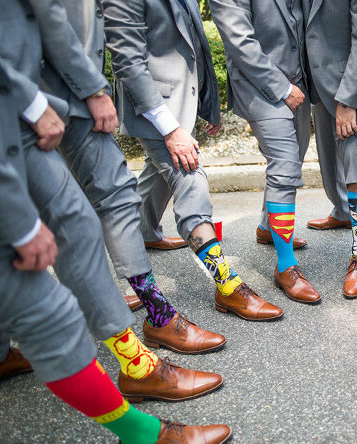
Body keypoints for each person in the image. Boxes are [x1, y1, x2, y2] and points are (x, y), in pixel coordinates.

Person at [0, 34, 231, 444]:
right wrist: (18, 221)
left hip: (20, 101)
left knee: (82, 218)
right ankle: (139, 412)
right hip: (19, 106)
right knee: (47, 312)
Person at [104, 0, 285, 320]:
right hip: (152, 107)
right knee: (189, 175)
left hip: (180, 103)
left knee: (158, 171)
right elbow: (127, 61)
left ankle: (145, 231)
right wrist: (171, 130)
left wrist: (207, 103)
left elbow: (194, 46)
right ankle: (227, 285)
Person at [209, 0, 321, 304]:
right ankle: (286, 266)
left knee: (295, 155)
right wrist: (282, 88)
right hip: (259, 87)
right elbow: (239, 40)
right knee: (285, 162)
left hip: (299, 83)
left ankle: (267, 227)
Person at [302, 0, 357, 298]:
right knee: (328, 157)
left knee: (354, 155)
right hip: (319, 79)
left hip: (354, 83)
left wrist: (349, 100)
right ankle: (342, 211)